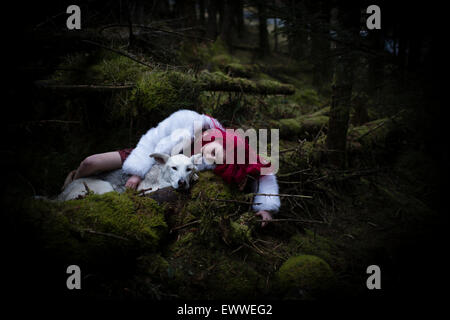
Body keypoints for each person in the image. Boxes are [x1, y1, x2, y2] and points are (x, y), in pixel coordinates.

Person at [63, 109, 280, 226]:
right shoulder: (187, 121)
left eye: (216, 160)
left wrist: (266, 208)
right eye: (211, 153)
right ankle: (68, 188)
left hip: (179, 167)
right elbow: (151, 141)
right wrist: (137, 172)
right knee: (91, 163)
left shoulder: (238, 147)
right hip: (154, 152)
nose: (210, 158)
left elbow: (265, 172)